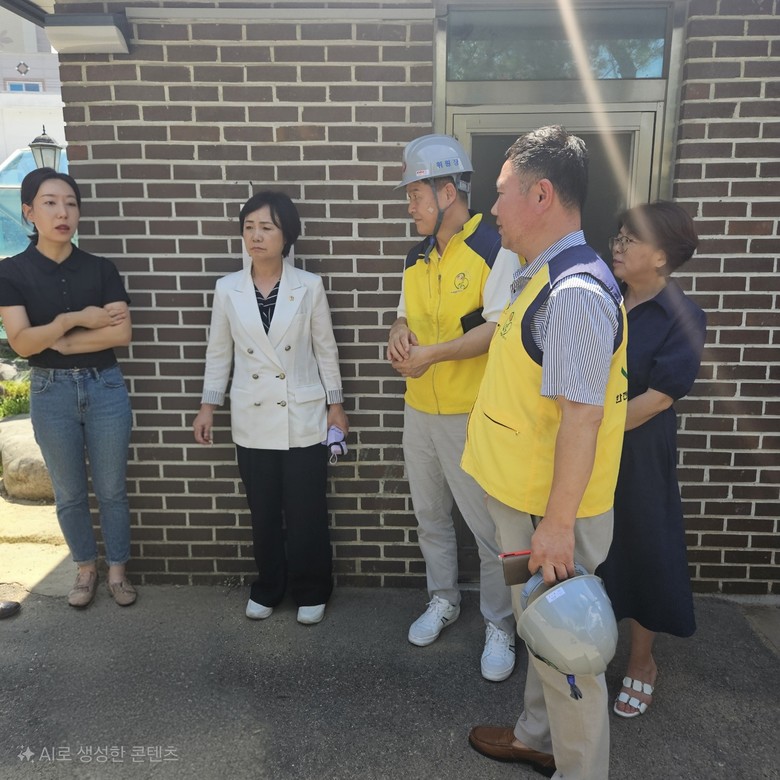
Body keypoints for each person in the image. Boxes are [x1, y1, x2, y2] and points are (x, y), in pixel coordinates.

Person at [462, 126, 627, 779]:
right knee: (544, 634)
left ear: (541, 194)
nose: (493, 207)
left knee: (569, 656)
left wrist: (556, 528)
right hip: (527, 510)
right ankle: (537, 737)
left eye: (502, 192)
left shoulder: (573, 292)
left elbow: (582, 419)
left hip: (546, 518)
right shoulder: (542, 280)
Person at [387, 133, 521, 681]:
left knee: (490, 531)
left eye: (415, 195)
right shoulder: (417, 254)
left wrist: (432, 355)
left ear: (448, 192)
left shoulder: (495, 247)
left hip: (473, 414)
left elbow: (497, 328)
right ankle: (443, 599)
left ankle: (500, 623)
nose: (410, 206)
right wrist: (398, 333)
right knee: (430, 517)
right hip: (419, 409)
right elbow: (404, 313)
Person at [193, 191, 348, 626]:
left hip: (303, 413)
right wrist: (208, 406)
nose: (256, 236)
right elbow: (218, 353)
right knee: (262, 511)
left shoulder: (308, 286)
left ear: (287, 236)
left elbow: (325, 350)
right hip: (252, 414)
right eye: (249, 227)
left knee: (306, 510)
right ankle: (268, 586)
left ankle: (312, 588)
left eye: (266, 227)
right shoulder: (227, 289)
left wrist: (336, 405)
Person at [0, 168, 136, 609]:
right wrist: (75, 320)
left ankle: (117, 571)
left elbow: (120, 334)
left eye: (71, 204)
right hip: (50, 392)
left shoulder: (100, 269)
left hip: (104, 386)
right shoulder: (11, 272)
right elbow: (22, 343)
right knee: (70, 492)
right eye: (50, 203)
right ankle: (85, 568)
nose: (63, 213)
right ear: (29, 212)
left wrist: (58, 341)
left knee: (112, 489)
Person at [597, 201, 706, 718]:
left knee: (643, 548)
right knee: (591, 548)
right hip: (586, 444)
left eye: (630, 240)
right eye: (618, 237)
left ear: (661, 256)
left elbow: (659, 397)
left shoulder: (683, 316)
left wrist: (589, 429)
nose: (617, 247)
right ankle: (588, 645)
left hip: (638, 450)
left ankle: (642, 662)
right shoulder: (602, 298)